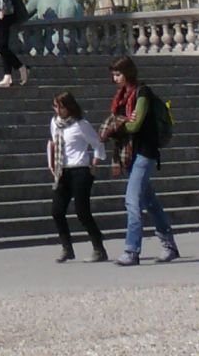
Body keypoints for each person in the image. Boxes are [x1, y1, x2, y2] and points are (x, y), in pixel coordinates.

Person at [101, 54, 180, 264]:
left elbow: (134, 125)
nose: (115, 79)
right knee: (150, 202)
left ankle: (132, 250)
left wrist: (118, 124)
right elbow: (120, 122)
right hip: (129, 153)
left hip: (145, 151)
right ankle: (169, 245)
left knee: (132, 200)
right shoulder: (120, 97)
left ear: (128, 72)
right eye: (113, 75)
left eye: (118, 74)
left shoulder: (142, 92)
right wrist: (121, 121)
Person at [47, 89, 108, 261]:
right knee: (57, 211)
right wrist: (53, 164)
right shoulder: (55, 123)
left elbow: (97, 144)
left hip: (80, 169)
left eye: (61, 108)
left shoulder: (81, 124)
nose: (58, 111)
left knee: (82, 212)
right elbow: (54, 143)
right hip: (62, 170)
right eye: (55, 107)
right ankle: (67, 248)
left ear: (70, 107)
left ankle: (98, 248)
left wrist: (95, 163)